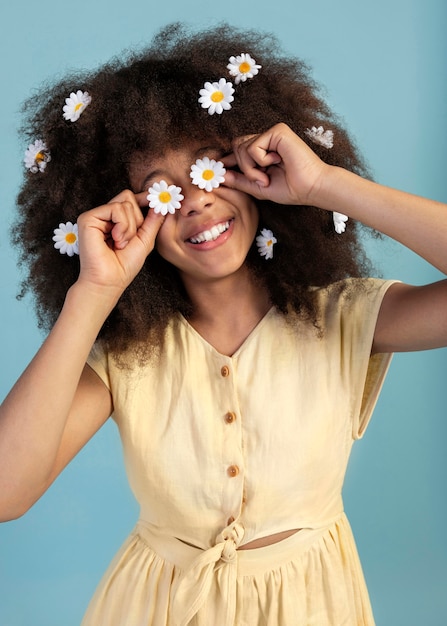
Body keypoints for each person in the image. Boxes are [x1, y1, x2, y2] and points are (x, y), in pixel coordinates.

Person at [0, 22, 446, 626]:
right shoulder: (128, 359)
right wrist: (95, 288)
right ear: (127, 215)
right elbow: (7, 492)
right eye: (160, 192)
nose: (196, 197)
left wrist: (325, 185)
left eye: (211, 167)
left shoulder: (341, 316)